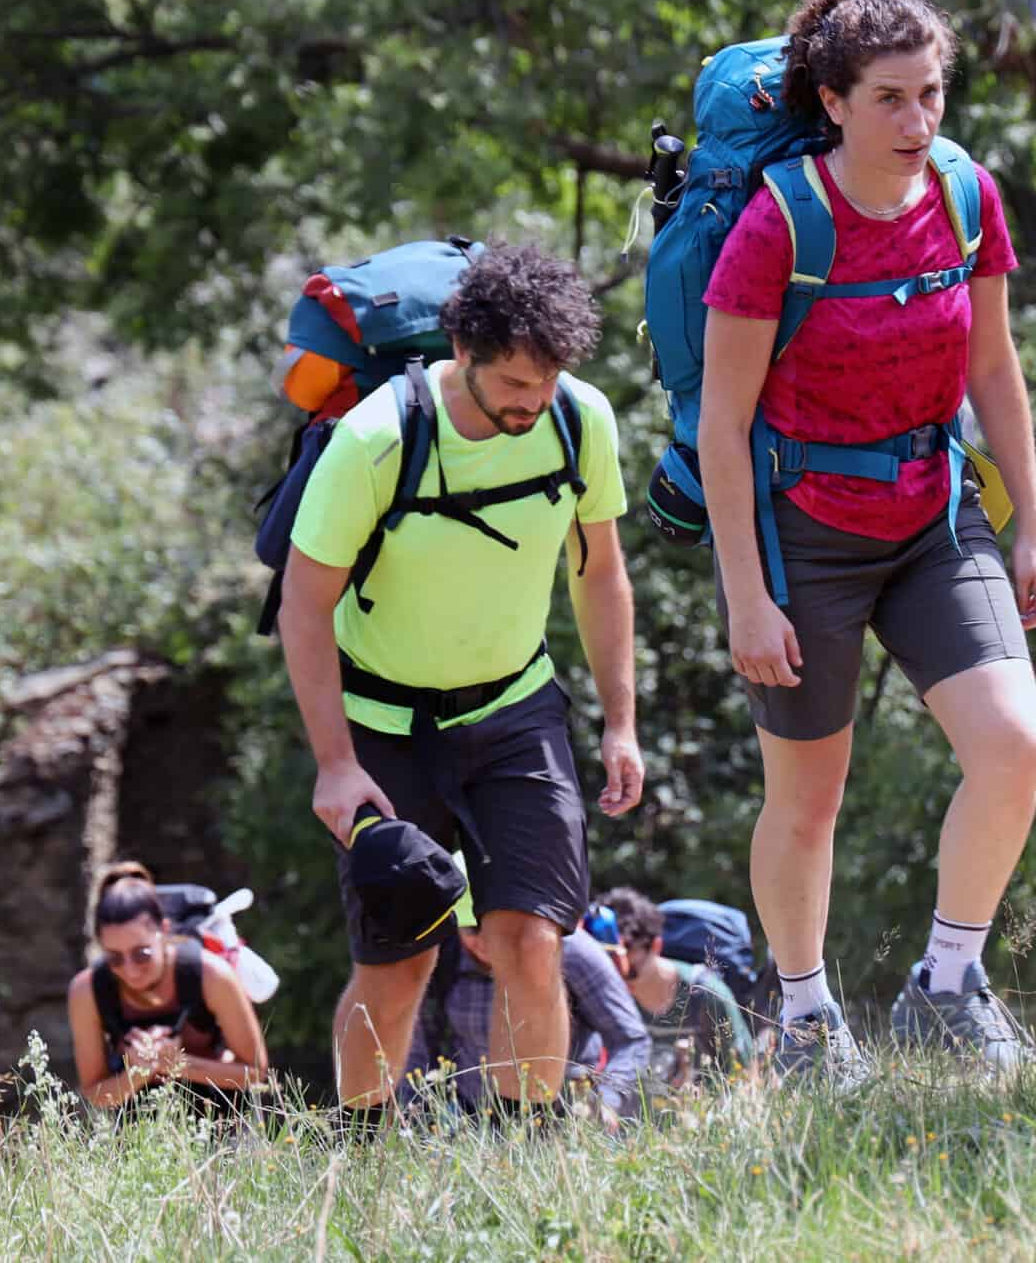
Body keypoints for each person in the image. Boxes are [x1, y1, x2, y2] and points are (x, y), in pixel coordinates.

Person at [699, 0, 1036, 1082]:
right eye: (890, 98)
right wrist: (747, 598)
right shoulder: (778, 228)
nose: (917, 119)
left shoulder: (965, 193)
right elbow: (722, 426)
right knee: (808, 801)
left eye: (932, 92)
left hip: (937, 514)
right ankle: (803, 1017)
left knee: (1015, 745)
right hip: (806, 533)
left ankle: (946, 983)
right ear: (833, 103)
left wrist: (1034, 526)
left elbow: (996, 369)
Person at [277, 240, 643, 1126]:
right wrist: (334, 764)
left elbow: (598, 573)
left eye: (547, 380)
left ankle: (528, 1153)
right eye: (516, 383)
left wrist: (619, 722)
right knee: (400, 959)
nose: (534, 401)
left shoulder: (577, 420)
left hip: (515, 711)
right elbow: (302, 604)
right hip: (384, 728)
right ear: (464, 354)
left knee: (530, 941)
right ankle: (359, 1153)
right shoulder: (378, 437)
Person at [403, 896, 651, 1123]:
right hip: (471, 1117)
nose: (483, 942)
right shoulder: (444, 957)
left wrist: (606, 1103)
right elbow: (417, 1049)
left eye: (493, 930)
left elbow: (631, 1039)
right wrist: (408, 1114)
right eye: (472, 931)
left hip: (565, 1113)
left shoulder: (571, 950)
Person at [66, 862, 270, 1109]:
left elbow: (255, 1071)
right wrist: (139, 1073)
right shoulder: (86, 990)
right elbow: (95, 1094)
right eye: (115, 958)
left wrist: (176, 1063)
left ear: (163, 930)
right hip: (138, 1121)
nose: (130, 971)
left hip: (222, 1111)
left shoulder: (212, 975)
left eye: (142, 954)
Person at [594, 887, 754, 1090]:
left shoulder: (706, 994)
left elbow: (746, 1078)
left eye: (630, 969)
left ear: (655, 946)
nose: (619, 979)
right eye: (609, 966)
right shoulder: (606, 997)